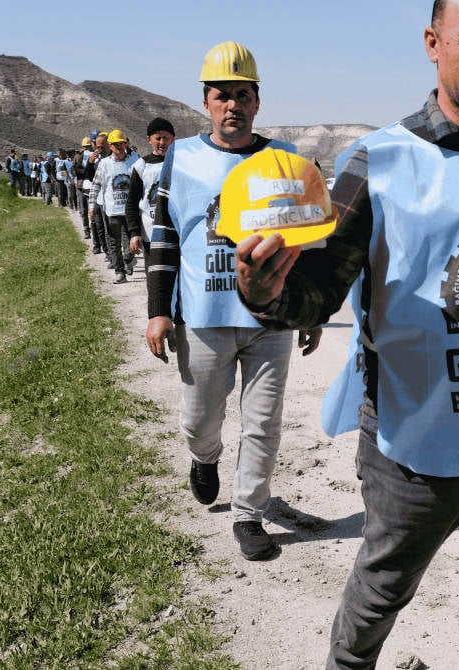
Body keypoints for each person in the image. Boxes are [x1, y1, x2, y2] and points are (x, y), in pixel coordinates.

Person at [234, 0, 459, 668]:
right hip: (414, 447)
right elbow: (317, 294)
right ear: (433, 43)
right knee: (381, 592)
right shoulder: (382, 161)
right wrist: (264, 291)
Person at [145, 41, 322, 561]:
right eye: (222, 96)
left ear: (257, 101)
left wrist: (309, 307)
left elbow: (304, 239)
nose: (233, 106)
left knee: (264, 420)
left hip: (271, 318)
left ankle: (248, 512)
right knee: (200, 419)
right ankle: (205, 458)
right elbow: (165, 236)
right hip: (202, 315)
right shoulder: (181, 158)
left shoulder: (283, 161)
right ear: (206, 101)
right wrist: (158, 309)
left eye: (243, 95)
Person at [90, 130, 138, 282]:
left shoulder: (135, 160)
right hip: (111, 211)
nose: (119, 147)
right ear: (110, 146)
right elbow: (95, 186)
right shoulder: (104, 164)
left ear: (126, 144)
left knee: (132, 240)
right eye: (115, 144)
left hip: (131, 210)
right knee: (113, 242)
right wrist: (92, 206)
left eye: (121, 143)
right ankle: (120, 272)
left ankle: (128, 258)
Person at [126, 117, 175, 262]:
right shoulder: (141, 165)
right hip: (151, 234)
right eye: (158, 138)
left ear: (172, 139)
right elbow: (132, 202)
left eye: (166, 138)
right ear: (149, 139)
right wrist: (134, 233)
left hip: (177, 233)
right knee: (156, 281)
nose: (162, 142)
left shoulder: (181, 162)